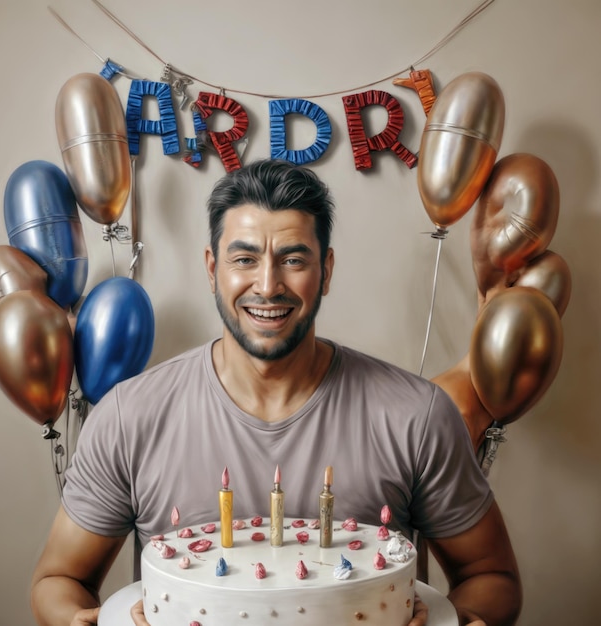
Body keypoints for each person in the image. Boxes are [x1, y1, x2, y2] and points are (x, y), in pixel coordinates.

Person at [31, 159, 521, 626]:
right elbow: (58, 580)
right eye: (244, 258)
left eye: (293, 259)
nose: (268, 285)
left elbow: (491, 578)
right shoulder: (127, 416)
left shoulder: (417, 414)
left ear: (326, 271)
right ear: (211, 268)